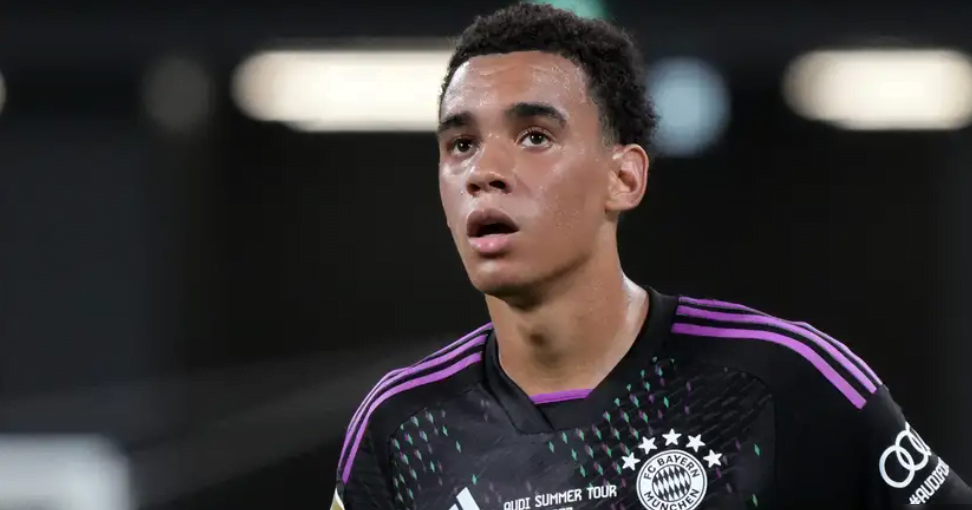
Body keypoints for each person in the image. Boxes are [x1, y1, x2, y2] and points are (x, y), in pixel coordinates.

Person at [332, 3, 972, 509]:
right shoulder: (400, 429)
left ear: (625, 177)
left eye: (534, 136)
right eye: (461, 145)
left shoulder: (788, 381)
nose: (484, 172)